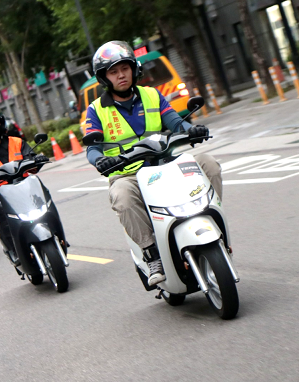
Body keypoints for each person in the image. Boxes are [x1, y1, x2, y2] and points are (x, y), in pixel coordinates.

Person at [84, 41, 223, 287]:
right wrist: (101, 160)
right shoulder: (96, 110)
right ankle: (151, 254)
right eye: (113, 72)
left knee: (208, 163)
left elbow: (175, 122)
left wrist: (193, 129)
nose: (120, 75)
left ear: (133, 69)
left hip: (166, 161)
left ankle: (212, 221)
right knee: (122, 197)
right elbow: (92, 148)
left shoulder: (151, 95)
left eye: (124, 68)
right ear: (105, 78)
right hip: (127, 172)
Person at [0, 105, 49, 260]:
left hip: (25, 186)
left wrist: (37, 160)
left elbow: (31, 160)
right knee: (2, 210)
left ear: (2, 122)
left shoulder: (17, 142)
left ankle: (55, 232)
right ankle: (15, 250)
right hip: (0, 195)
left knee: (44, 193)